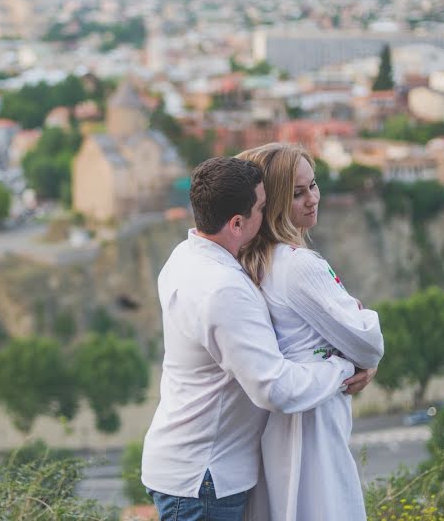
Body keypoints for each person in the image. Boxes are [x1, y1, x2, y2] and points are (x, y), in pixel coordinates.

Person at [141, 156, 365, 521]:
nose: (269, 215)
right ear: (236, 223)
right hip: (205, 479)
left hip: (183, 465)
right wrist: (342, 367)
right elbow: (275, 388)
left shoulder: (185, 256)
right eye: (262, 207)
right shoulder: (224, 289)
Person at [238, 143, 384, 521]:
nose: (312, 199)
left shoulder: (258, 262)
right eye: (297, 193)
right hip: (314, 416)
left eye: (313, 186)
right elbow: (368, 344)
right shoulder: (300, 266)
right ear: (273, 204)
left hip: (285, 420)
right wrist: (359, 320)